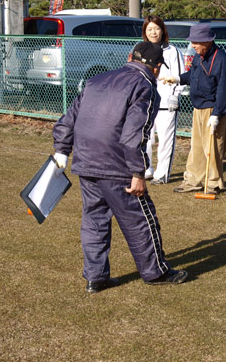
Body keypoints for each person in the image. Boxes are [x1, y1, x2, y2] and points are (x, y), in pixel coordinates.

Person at [52, 41, 188, 294]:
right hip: (117, 166)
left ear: (130, 57)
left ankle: (96, 277)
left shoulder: (96, 80)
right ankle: (155, 272)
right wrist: (138, 173)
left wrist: (62, 150)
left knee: (94, 221)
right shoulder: (144, 86)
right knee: (140, 220)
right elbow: (133, 135)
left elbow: (68, 120)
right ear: (157, 68)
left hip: (86, 163)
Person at [160, 24, 226, 195]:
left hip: (214, 109)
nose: (192, 45)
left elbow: (224, 90)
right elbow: (192, 75)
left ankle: (213, 184)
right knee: (197, 146)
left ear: (207, 42)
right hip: (198, 107)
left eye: (196, 42)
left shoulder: (222, 60)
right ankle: (193, 180)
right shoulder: (198, 57)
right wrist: (177, 78)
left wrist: (216, 114)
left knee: (213, 147)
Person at [142, 15, 185, 185]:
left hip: (167, 103)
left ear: (162, 30)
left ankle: (162, 174)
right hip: (145, 102)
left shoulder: (172, 51)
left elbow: (180, 76)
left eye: (156, 28)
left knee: (166, 139)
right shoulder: (141, 49)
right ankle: (145, 169)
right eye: (149, 29)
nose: (153, 32)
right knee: (145, 138)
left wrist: (175, 95)